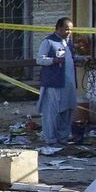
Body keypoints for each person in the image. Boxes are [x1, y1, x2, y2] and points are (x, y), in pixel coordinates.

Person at [36, 18, 77, 146]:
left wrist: (82, 59)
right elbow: (39, 60)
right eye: (66, 29)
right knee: (51, 113)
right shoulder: (48, 41)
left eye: (70, 29)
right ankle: (51, 139)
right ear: (58, 28)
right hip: (54, 83)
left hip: (68, 84)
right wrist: (53, 60)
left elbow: (70, 59)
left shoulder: (67, 42)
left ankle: (63, 138)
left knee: (67, 111)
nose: (69, 32)